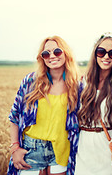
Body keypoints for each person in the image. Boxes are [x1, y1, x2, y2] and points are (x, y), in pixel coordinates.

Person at [8, 36, 82, 175]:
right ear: (42, 58)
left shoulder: (76, 85)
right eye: (46, 53)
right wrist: (15, 148)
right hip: (31, 150)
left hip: (61, 150)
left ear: (66, 53)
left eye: (57, 51)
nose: (52, 56)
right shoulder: (31, 82)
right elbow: (14, 116)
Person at [75, 33, 112, 174]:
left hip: (109, 147)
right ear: (95, 54)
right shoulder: (84, 81)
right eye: (101, 52)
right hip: (83, 149)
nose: (106, 57)